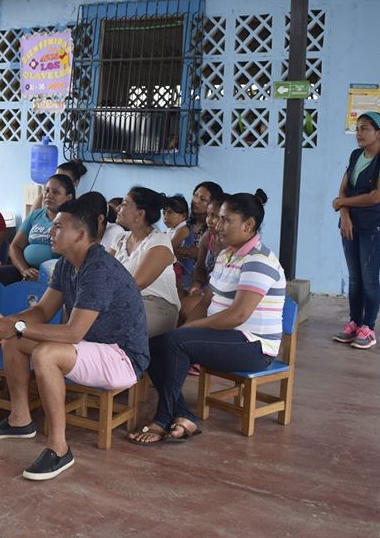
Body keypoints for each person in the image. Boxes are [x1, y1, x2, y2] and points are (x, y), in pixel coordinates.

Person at [0, 199, 148, 481]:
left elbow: (72, 333)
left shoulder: (98, 268)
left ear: (80, 234)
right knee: (13, 339)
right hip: (89, 348)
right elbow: (43, 310)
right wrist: (6, 323)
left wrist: (16, 325)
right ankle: (20, 420)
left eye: (57, 226)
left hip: (122, 358)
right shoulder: (68, 263)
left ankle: (59, 449)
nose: (50, 232)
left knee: (45, 354)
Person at [130, 189, 285, 445]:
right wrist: (188, 327)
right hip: (224, 336)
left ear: (248, 225)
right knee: (152, 346)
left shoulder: (259, 260)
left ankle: (163, 417)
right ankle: (184, 415)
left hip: (253, 347)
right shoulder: (226, 254)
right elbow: (206, 300)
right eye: (218, 218)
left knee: (176, 342)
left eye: (226, 220)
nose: (217, 225)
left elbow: (237, 315)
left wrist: (188, 330)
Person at [331, 112, 380, 350]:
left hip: (373, 227)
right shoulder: (355, 155)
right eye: (357, 128)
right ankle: (354, 323)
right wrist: (344, 215)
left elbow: (376, 196)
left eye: (365, 129)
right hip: (350, 224)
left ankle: (368, 328)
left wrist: (343, 203)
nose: (359, 133)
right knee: (354, 277)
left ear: (379, 133)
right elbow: (344, 188)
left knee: (369, 277)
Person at [109, 187, 179, 339]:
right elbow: (103, 272)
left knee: (107, 323)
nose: (118, 208)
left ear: (140, 214)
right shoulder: (120, 239)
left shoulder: (159, 241)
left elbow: (137, 284)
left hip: (157, 306)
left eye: (124, 204)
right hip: (123, 301)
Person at [0, 173, 74, 286]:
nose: (49, 195)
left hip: (55, 273)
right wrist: (25, 270)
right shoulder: (35, 215)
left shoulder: (73, 220)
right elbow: (15, 246)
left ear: (69, 197)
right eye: (47, 191)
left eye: (55, 192)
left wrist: (45, 275)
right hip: (27, 270)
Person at [182, 188, 227, 323]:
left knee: (188, 307)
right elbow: (200, 267)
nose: (210, 221)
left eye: (215, 216)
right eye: (208, 215)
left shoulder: (231, 244)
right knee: (177, 298)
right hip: (206, 288)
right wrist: (197, 284)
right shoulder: (208, 237)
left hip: (221, 292)